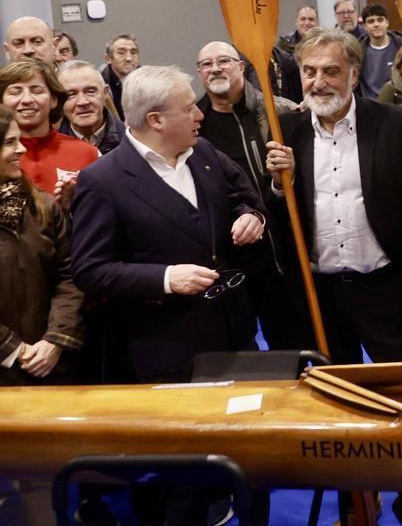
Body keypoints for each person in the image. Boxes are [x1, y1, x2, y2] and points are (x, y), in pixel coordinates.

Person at [262, 28, 402, 524]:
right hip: (320, 292)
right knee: (337, 408)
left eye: (330, 70)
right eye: (309, 72)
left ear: (354, 73)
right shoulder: (284, 133)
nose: (318, 82)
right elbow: (279, 220)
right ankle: (359, 501)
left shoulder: (395, 123)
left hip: (383, 286)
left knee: (398, 401)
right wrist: (276, 184)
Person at [71, 65, 266, 382]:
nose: (199, 116)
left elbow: (244, 196)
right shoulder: (103, 180)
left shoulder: (203, 152)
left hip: (236, 334)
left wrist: (251, 216)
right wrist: (166, 277)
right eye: (188, 109)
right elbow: (90, 270)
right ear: (156, 120)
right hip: (168, 349)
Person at [0, 103, 84, 526]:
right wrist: (13, 350)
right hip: (9, 364)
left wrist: (54, 341)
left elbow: (70, 277)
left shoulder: (44, 208)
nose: (20, 150)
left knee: (40, 479)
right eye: (9, 142)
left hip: (43, 366)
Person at [195, 41, 309, 351]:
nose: (215, 68)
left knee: (292, 348)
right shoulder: (194, 125)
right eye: (206, 64)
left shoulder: (280, 111)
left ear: (242, 67)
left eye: (223, 61)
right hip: (227, 260)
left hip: (279, 255)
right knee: (239, 353)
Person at [0, 59, 98, 202]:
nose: (27, 99)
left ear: (54, 99)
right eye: (15, 92)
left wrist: (76, 205)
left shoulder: (88, 154)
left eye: (37, 90)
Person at [57, 60, 124, 155]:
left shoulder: (131, 140)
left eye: (90, 91)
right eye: (71, 94)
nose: (83, 102)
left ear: (105, 93)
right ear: (58, 100)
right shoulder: (49, 148)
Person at [357, 3, 402, 100]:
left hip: (398, 104)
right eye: (371, 21)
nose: (376, 24)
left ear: (387, 23)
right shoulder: (358, 50)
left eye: (380, 20)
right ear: (364, 26)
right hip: (369, 106)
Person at [100, 33, 141, 119]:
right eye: (121, 53)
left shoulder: (148, 82)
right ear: (108, 59)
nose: (129, 58)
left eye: (133, 53)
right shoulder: (99, 84)